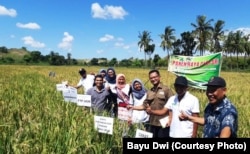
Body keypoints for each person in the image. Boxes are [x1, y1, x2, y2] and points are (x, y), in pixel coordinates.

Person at [128, 69, 174, 138]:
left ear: (159, 77)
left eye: (155, 77)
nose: (153, 79)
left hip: (164, 123)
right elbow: (144, 106)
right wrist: (132, 107)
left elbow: (173, 105)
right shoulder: (149, 91)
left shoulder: (166, 89)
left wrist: (170, 119)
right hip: (152, 123)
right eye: (151, 78)